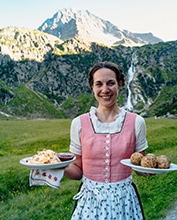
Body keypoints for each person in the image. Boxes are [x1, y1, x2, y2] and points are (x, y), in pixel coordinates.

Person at [64, 61, 149, 220]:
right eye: (99, 84)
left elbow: (140, 167)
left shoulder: (137, 122)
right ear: (92, 87)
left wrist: (151, 169)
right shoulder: (78, 123)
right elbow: (77, 170)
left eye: (111, 83)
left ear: (120, 84)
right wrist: (56, 167)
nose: (105, 90)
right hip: (90, 202)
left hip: (124, 202)